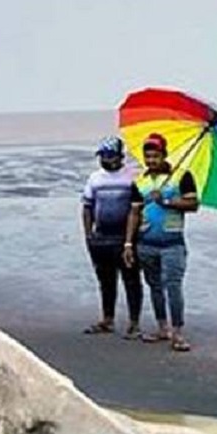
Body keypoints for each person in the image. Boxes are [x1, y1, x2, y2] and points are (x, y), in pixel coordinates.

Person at [123, 133, 199, 352]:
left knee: (173, 286)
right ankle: (162, 327)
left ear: (164, 155)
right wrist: (128, 244)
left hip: (173, 243)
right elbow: (134, 213)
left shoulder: (182, 176)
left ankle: (178, 333)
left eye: (155, 156)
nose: (151, 161)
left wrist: (166, 200)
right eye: (148, 157)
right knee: (154, 286)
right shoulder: (140, 181)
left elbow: (193, 204)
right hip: (146, 242)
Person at [81, 136, 142, 339]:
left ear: (119, 156)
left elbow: (138, 207)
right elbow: (87, 207)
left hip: (125, 238)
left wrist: (131, 240)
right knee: (106, 280)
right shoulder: (95, 178)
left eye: (109, 156)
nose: (105, 160)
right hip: (101, 238)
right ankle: (107, 319)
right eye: (102, 156)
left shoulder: (132, 176)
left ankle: (134, 323)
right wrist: (89, 234)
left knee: (131, 280)